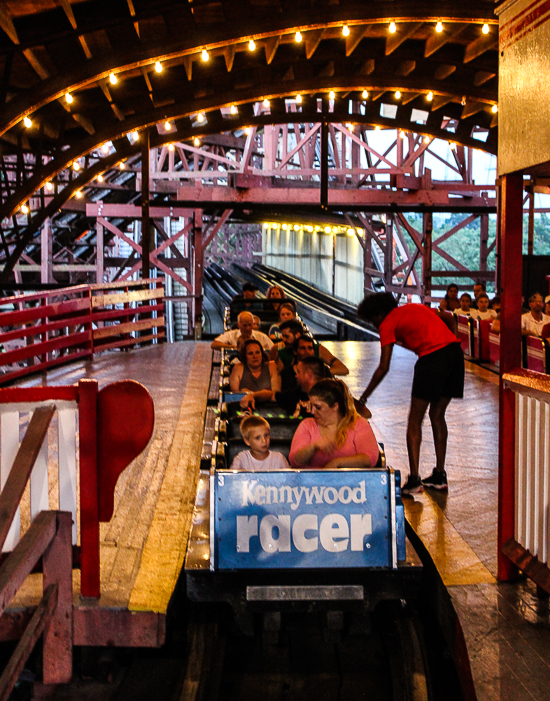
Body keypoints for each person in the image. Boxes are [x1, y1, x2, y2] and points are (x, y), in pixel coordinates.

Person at [357, 292, 464, 494]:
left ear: (378, 314)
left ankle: (414, 480)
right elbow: (449, 317)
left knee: (415, 420)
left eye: (372, 320)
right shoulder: (415, 307)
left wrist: (363, 398)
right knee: (437, 415)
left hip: (431, 358)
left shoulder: (387, 322)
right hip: (454, 355)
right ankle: (439, 476)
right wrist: (452, 339)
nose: (373, 324)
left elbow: (383, 367)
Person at [289, 379, 379, 469]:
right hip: (312, 482)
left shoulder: (358, 424)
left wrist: (337, 463)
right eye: (311, 406)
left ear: (335, 406)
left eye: (318, 407)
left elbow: (370, 458)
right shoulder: (307, 425)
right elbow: (294, 461)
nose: (312, 411)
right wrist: (313, 447)